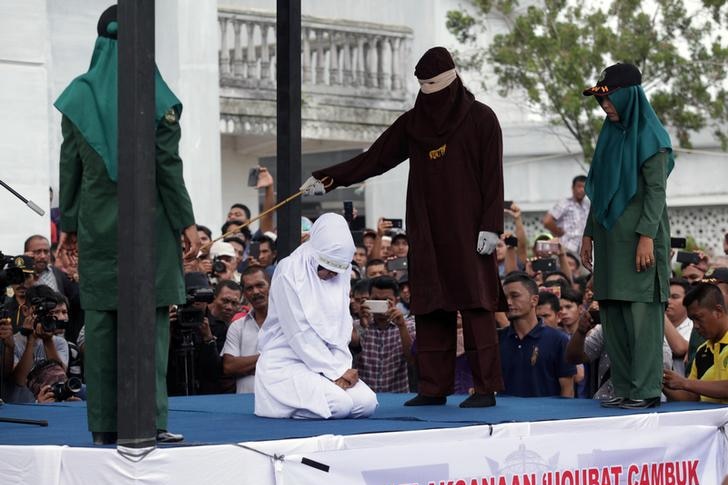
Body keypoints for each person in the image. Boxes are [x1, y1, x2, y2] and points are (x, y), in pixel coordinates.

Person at [302, 47, 505, 408]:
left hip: (469, 228)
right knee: (430, 304)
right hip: (426, 227)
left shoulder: (481, 118)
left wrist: (491, 225)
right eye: (424, 87)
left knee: (475, 305)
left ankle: (485, 388)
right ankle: (432, 387)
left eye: (436, 86)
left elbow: (493, 176)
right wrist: (328, 179)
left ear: (453, 81)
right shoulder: (414, 123)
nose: (431, 95)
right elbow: (374, 159)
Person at [55, 6, 200, 445]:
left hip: (98, 226)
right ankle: (150, 422)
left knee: (100, 327)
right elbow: (167, 167)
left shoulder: (78, 95)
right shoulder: (154, 93)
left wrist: (68, 227)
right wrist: (186, 222)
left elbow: (70, 169)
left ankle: (103, 426)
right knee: (151, 323)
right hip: (151, 226)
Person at [580, 63, 674, 409]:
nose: (604, 106)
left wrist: (647, 236)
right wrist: (589, 233)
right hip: (609, 241)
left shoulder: (652, 136)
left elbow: (655, 192)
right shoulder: (608, 135)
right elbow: (600, 191)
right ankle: (623, 386)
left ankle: (646, 389)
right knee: (614, 312)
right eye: (601, 100)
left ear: (629, 96)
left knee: (641, 315)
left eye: (609, 98)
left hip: (639, 242)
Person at [255, 213, 378, 419]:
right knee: (339, 405)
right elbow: (298, 332)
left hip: (329, 361)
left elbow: (341, 325)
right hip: (287, 360)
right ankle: (282, 404)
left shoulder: (342, 270)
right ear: (315, 252)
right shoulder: (289, 270)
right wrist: (334, 372)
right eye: (327, 268)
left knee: (367, 404)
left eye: (337, 270)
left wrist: (342, 369)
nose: (332, 275)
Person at [498, 273, 576, 397]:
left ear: (534, 300)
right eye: (505, 297)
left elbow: (567, 390)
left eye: (515, 296)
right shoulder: (497, 339)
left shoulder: (559, 340)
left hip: (546, 415)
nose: (508, 302)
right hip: (505, 416)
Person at [663, 283, 728, 404]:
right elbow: (691, 397)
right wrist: (661, 381)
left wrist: (685, 383)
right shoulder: (702, 351)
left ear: (718, 311)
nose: (696, 326)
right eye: (692, 320)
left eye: (698, 318)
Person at [221, 266, 270, 393]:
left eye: (260, 285)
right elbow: (229, 366)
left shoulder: (286, 323)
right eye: (249, 288)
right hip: (243, 402)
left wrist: (245, 366)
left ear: (271, 286)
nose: (255, 292)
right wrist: (270, 358)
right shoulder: (237, 326)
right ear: (244, 294)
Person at [543, 176, 590, 254]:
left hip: (583, 249)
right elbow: (547, 221)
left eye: (584, 187)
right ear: (573, 188)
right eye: (579, 186)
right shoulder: (564, 203)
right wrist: (558, 232)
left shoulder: (587, 205)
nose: (582, 190)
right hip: (567, 248)